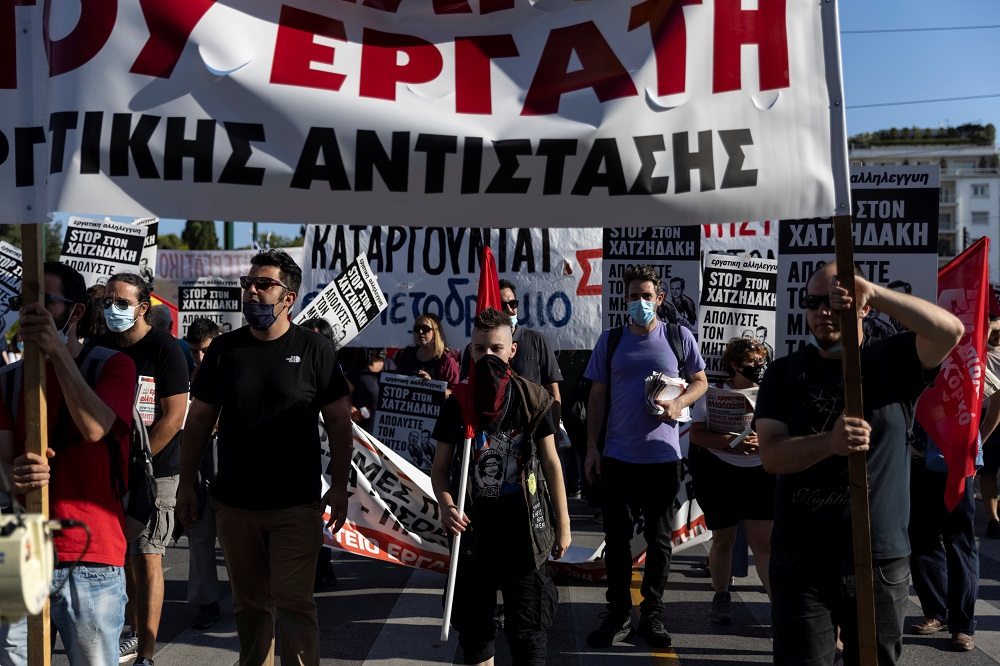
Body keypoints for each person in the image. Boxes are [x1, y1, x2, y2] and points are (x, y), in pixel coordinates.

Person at [755, 261, 963, 666]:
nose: (823, 311)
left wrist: (874, 291)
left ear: (862, 307)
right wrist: (829, 443)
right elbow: (772, 455)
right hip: (801, 560)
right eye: (813, 302)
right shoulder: (783, 373)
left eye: (836, 302)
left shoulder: (894, 360)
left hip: (879, 559)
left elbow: (950, 331)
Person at [176, 249, 353, 666]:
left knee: (293, 602)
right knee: (250, 605)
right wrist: (186, 483)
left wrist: (341, 487)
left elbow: (340, 424)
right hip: (235, 506)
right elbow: (199, 421)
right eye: (248, 284)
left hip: (295, 505)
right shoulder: (222, 350)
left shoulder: (315, 350)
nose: (251, 292)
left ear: (288, 297)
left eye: (263, 284)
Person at [0, 262, 137, 665]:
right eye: (25, 303)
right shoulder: (8, 380)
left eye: (45, 303)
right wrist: (16, 476)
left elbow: (95, 427)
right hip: (20, 544)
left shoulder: (111, 366)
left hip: (89, 548)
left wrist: (56, 351)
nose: (31, 313)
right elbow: (3, 466)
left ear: (76, 312)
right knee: (13, 659)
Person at [431, 307, 571, 665]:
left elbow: (552, 463)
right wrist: (447, 505)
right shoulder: (458, 403)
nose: (487, 356)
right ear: (469, 351)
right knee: (476, 633)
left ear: (513, 350)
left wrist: (563, 525)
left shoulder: (533, 398)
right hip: (475, 529)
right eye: (479, 349)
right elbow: (440, 469)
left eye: (495, 348)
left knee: (528, 629)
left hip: (524, 526)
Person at [583, 264, 708, 649]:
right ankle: (619, 612)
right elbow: (598, 395)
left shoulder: (678, 336)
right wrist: (591, 447)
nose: (640, 302)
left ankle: (651, 613)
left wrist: (681, 402)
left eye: (647, 296)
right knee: (617, 540)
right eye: (633, 296)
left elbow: (701, 380)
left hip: (662, 458)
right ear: (625, 299)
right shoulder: (611, 339)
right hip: (619, 457)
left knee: (658, 541)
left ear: (660, 299)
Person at [96, 272, 190, 666]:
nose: (113, 310)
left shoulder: (166, 349)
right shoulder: (100, 347)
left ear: (142, 306)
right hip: (108, 468)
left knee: (148, 553)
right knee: (120, 556)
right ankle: (134, 633)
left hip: (157, 471)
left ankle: (147, 654)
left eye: (122, 303)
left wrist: (141, 462)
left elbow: (173, 416)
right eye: (108, 302)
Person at [688, 337, 774, 625]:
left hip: (760, 474)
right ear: (734, 365)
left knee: (763, 544)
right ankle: (721, 594)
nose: (758, 367)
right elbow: (697, 434)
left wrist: (765, 440)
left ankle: (778, 604)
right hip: (721, 473)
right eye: (752, 362)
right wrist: (730, 443)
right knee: (723, 541)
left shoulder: (772, 392)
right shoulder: (712, 394)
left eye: (761, 361)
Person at [907, 422, 979, 652]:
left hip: (957, 461)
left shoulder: (967, 382)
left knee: (959, 543)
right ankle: (937, 612)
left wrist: (978, 444)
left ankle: (962, 625)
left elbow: (996, 396)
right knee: (921, 541)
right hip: (915, 462)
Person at [182, 317, 225, 630]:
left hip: (230, 465)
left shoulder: (234, 370)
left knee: (241, 540)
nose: (200, 357)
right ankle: (206, 602)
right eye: (195, 351)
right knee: (199, 538)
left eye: (206, 350)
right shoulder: (187, 378)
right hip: (197, 468)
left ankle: (252, 599)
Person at [394, 313, 460, 393]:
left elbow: (456, 393)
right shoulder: (407, 355)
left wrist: (432, 385)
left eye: (425, 328)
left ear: (436, 332)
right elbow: (394, 383)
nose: (420, 332)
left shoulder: (446, 360)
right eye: (417, 328)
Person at [980, 315, 1000, 538]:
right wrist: (989, 327)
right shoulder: (980, 353)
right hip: (986, 416)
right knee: (987, 472)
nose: (997, 333)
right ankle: (993, 520)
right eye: (993, 330)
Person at [345, 348, 388, 434]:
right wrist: (350, 408)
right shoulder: (357, 370)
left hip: (387, 433)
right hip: (364, 432)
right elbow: (344, 396)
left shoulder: (392, 365)